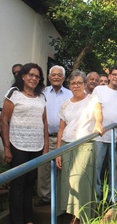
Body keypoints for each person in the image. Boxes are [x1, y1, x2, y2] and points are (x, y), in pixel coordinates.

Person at [0, 63, 49, 224]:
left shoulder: (41, 96)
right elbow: (4, 120)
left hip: (36, 145)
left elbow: (44, 122)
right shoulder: (14, 94)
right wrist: (7, 147)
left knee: (29, 183)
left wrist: (46, 146)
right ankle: (17, 220)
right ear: (23, 76)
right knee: (18, 184)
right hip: (17, 144)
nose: (34, 78)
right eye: (31, 75)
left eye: (37, 76)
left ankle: (28, 219)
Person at [56, 70, 105, 224]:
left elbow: (98, 114)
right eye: (73, 83)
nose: (76, 85)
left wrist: (98, 123)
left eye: (79, 82)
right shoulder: (65, 104)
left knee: (80, 182)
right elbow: (61, 129)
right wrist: (58, 152)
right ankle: (68, 214)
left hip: (84, 145)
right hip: (66, 145)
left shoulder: (92, 99)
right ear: (69, 85)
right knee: (67, 182)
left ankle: (79, 217)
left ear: (85, 84)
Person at [92, 65, 117, 202]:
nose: (116, 77)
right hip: (99, 137)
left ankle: (112, 198)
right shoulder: (99, 90)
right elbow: (95, 109)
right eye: (114, 74)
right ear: (109, 76)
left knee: (115, 169)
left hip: (116, 138)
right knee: (96, 169)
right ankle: (96, 199)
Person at [36, 65, 72, 207]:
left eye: (59, 75)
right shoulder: (42, 93)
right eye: (53, 75)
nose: (56, 77)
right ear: (49, 77)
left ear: (63, 78)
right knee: (44, 168)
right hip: (45, 136)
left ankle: (61, 197)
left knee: (63, 166)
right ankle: (45, 197)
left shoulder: (70, 94)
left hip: (65, 137)